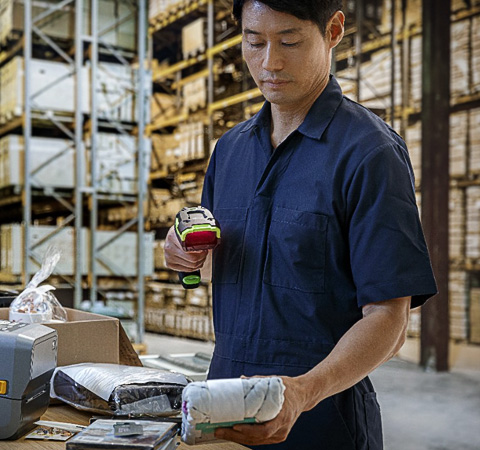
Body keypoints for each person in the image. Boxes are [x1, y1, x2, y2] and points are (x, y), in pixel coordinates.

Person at [164, 1, 438, 449]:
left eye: (289, 40)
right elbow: (214, 268)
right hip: (222, 414)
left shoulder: (369, 154)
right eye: (254, 42)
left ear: (333, 31)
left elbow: (389, 320)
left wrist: (303, 392)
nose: (269, 62)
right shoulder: (229, 151)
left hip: (322, 424)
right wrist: (183, 254)